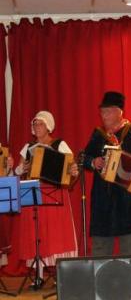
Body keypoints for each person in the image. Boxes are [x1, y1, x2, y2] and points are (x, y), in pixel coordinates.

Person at [83, 91, 131, 256]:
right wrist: (93, 162)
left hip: (126, 200)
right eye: (102, 112)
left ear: (119, 112)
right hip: (103, 198)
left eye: (108, 111)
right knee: (100, 245)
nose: (104, 116)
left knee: (128, 247)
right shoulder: (98, 135)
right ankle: (101, 279)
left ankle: (130, 280)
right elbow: (83, 157)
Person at [13, 110, 78, 273]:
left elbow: (71, 165)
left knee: (55, 231)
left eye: (40, 123)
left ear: (48, 126)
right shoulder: (27, 147)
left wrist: (73, 170)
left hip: (54, 191)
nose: (36, 126)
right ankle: (39, 275)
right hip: (34, 191)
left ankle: (61, 272)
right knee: (37, 231)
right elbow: (17, 171)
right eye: (34, 124)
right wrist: (22, 168)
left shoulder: (59, 144)